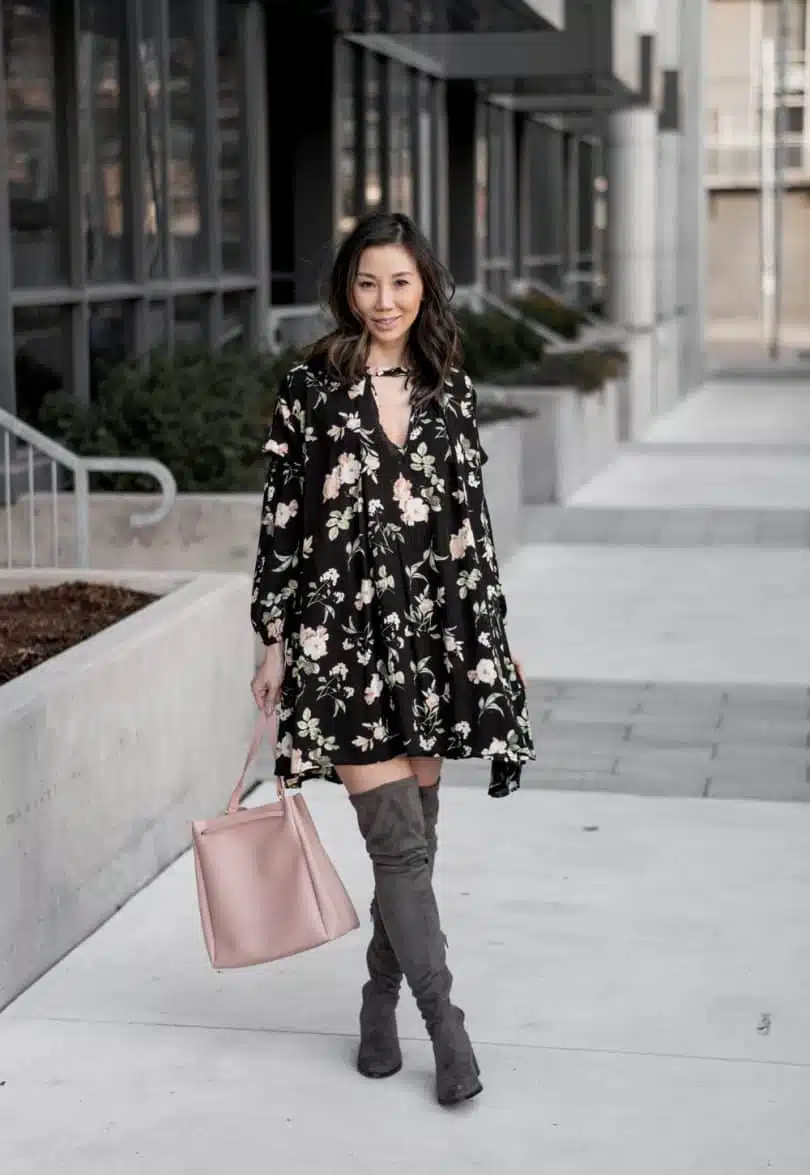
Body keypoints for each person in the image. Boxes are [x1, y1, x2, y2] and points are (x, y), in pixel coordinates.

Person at [250, 211, 534, 1107]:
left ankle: (378, 1003)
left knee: (416, 844)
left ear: (425, 288)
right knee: (398, 844)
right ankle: (447, 1031)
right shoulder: (310, 388)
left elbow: (473, 524)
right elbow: (282, 521)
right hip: (343, 640)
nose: (384, 301)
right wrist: (271, 639)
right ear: (347, 286)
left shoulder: (452, 386)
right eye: (368, 283)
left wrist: (499, 637)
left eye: (401, 283)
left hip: (435, 635)